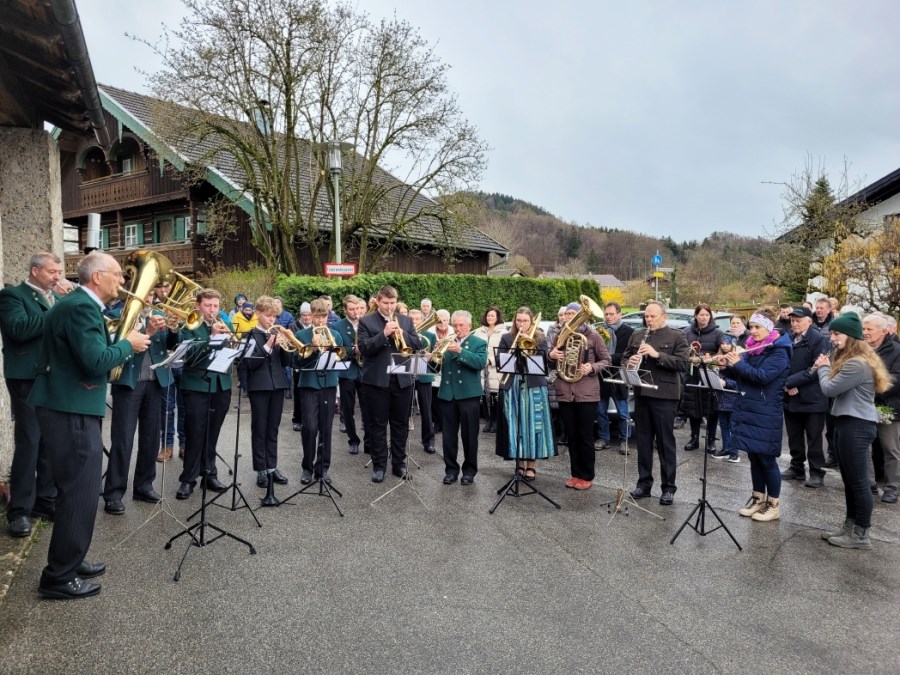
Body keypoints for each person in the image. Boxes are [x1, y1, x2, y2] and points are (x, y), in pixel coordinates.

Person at [28, 252, 150, 599]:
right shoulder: (81, 307)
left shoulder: (80, 305)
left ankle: (70, 558)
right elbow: (95, 361)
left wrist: (125, 342)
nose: (123, 281)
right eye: (117, 275)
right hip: (71, 409)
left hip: (70, 406)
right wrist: (129, 344)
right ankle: (59, 576)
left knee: (74, 492)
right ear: (97, 277)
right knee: (80, 493)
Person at [814, 313, 892, 549]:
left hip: (857, 425)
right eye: (832, 334)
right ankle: (849, 526)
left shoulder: (857, 363)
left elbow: (829, 388)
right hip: (846, 422)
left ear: (851, 337)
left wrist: (822, 367)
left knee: (859, 483)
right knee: (849, 480)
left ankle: (861, 535)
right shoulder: (850, 359)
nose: (832, 338)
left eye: (837, 334)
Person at [0, 252, 62, 538]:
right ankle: (19, 511)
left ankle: (45, 500)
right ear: (35, 271)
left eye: (59, 272)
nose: (57, 277)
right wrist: (57, 312)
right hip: (26, 377)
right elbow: (18, 329)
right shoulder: (12, 295)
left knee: (50, 441)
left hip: (53, 377)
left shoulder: (57, 300)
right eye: (52, 272)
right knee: (29, 441)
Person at [103, 299, 177, 515]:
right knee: (123, 439)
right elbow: (114, 343)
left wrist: (173, 329)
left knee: (151, 438)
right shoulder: (117, 313)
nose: (151, 299)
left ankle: (144, 486)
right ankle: (114, 493)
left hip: (155, 381)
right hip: (129, 382)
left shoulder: (160, 312)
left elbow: (171, 343)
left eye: (153, 294)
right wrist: (150, 330)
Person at [717, 310, 791, 522]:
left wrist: (738, 363)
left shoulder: (779, 352)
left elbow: (761, 377)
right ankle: (758, 498)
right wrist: (726, 366)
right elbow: (742, 374)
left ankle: (773, 504)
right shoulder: (754, 349)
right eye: (752, 327)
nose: (753, 331)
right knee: (754, 456)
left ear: (769, 328)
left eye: (758, 327)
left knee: (767, 459)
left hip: (766, 412)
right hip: (749, 408)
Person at [624, 301, 690, 505]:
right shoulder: (637, 335)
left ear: (664, 316)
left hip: (664, 395)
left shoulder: (677, 336)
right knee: (643, 443)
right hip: (642, 393)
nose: (648, 319)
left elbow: (682, 364)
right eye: (646, 316)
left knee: (664, 443)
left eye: (653, 316)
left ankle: (668, 487)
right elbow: (624, 358)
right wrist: (630, 362)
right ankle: (644, 484)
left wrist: (656, 354)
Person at [357, 285, 421, 482]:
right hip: (376, 381)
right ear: (378, 301)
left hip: (402, 381)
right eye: (385, 303)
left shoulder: (406, 320)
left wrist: (404, 333)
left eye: (393, 303)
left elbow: (417, 345)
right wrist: (383, 334)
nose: (389, 307)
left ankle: (399, 465)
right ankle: (379, 465)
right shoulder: (366, 321)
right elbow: (363, 348)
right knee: (377, 425)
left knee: (400, 424)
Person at [176, 288, 233, 500]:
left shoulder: (222, 324)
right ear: (198, 305)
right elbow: (188, 355)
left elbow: (232, 353)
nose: (212, 310)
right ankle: (188, 479)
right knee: (195, 433)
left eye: (216, 306)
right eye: (208, 305)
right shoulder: (189, 325)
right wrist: (212, 337)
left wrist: (231, 341)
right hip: (196, 386)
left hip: (221, 385)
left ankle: (209, 474)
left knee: (212, 433)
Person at [549, 302, 611, 490]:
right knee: (572, 436)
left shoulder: (593, 336)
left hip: (586, 393)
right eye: (566, 313)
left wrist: (592, 367)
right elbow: (551, 363)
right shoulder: (560, 335)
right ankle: (575, 473)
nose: (568, 317)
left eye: (572, 313)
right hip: (565, 391)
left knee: (585, 436)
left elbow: (606, 360)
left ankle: (587, 475)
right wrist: (551, 355)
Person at [495, 307, 555, 480]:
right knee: (517, 424)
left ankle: (531, 465)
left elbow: (544, 364)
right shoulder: (507, 338)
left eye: (525, 321)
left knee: (534, 425)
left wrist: (531, 343)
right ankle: (519, 463)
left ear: (531, 322)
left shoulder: (540, 338)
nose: (521, 324)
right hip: (514, 385)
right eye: (518, 320)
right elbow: (501, 360)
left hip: (534, 386)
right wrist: (514, 350)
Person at [238, 296, 291, 488]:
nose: (272, 320)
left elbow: (286, 363)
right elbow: (249, 363)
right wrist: (269, 345)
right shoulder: (250, 335)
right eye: (268, 316)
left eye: (274, 317)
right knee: (259, 427)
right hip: (259, 386)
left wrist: (284, 345)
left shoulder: (277, 332)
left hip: (277, 384)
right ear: (258, 314)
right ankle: (260, 468)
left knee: (273, 428)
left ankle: (272, 466)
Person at [294, 299, 345, 484]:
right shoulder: (301, 334)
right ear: (311, 316)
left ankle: (323, 468)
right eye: (317, 316)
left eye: (323, 316)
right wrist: (314, 349)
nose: (320, 320)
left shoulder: (336, 335)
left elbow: (339, 358)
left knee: (326, 429)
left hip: (329, 385)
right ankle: (307, 468)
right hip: (308, 385)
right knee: (309, 428)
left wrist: (328, 350)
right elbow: (297, 362)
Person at [780, 306, 831, 487]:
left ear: (809, 321)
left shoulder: (819, 340)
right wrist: (786, 384)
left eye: (799, 320)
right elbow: (781, 363)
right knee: (794, 436)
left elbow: (816, 369)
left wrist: (791, 382)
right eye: (793, 320)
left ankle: (817, 472)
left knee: (814, 438)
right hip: (790, 396)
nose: (794, 324)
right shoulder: (788, 339)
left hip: (812, 398)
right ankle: (797, 467)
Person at [436, 311, 487, 484]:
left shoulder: (478, 342)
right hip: (448, 394)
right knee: (448, 436)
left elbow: (480, 363)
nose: (457, 329)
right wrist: (435, 352)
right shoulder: (446, 341)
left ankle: (469, 471)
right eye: (455, 325)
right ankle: (451, 470)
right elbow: (435, 366)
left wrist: (460, 350)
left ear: (469, 326)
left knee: (470, 436)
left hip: (468, 395)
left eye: (461, 325)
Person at [862, 313, 899, 504]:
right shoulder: (861, 348)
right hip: (863, 405)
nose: (865, 332)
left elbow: (896, 380)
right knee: (864, 446)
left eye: (869, 329)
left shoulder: (896, 350)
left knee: (890, 447)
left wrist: (869, 388)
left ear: (883, 331)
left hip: (886, 406)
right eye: (864, 329)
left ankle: (892, 487)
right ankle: (869, 484)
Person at [681, 304, 724, 453]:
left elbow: (722, 352)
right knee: (693, 408)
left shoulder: (718, 333)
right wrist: (689, 358)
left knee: (711, 409)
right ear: (696, 316)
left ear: (710, 317)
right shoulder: (687, 332)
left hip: (710, 374)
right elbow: (682, 351)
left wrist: (709, 359)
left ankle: (711, 440)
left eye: (707, 315)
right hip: (692, 375)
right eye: (701, 315)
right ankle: (694, 438)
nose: (704, 317)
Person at [597, 301, 634, 453]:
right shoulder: (600, 331)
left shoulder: (628, 331)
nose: (609, 317)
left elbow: (627, 354)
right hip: (602, 376)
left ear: (619, 314)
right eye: (606, 314)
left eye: (612, 314)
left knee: (623, 413)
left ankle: (624, 440)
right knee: (600, 411)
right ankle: (603, 439)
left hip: (619, 377)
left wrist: (606, 358)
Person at [333, 295, 365, 455]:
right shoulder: (338, 325)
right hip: (347, 372)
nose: (355, 312)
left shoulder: (366, 323)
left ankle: (369, 440)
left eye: (358, 308)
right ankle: (353, 440)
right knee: (348, 408)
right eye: (351, 309)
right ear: (345, 309)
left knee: (369, 408)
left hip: (366, 371)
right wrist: (353, 350)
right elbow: (338, 349)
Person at [473, 306, 504, 433]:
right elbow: (473, 347)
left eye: (492, 316)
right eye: (488, 315)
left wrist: (491, 360)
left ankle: (496, 421)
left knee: (495, 396)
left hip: (495, 368)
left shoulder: (503, 332)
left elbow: (504, 351)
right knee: (484, 397)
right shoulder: (479, 331)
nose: (490, 318)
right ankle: (488, 421)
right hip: (481, 368)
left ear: (497, 317)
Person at [409, 309, 436, 453]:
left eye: (417, 319)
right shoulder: (403, 333)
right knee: (404, 410)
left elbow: (434, 358)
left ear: (422, 320)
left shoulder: (430, 336)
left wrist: (430, 355)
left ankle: (429, 441)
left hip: (424, 375)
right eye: (411, 319)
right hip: (407, 374)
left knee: (426, 410)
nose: (414, 322)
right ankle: (402, 440)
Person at [290, 301, 314, 431]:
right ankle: (297, 419)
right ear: (300, 315)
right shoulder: (294, 326)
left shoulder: (315, 326)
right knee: (298, 392)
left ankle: (308, 419)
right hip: (298, 363)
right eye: (304, 315)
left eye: (309, 315)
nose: (306, 318)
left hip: (312, 362)